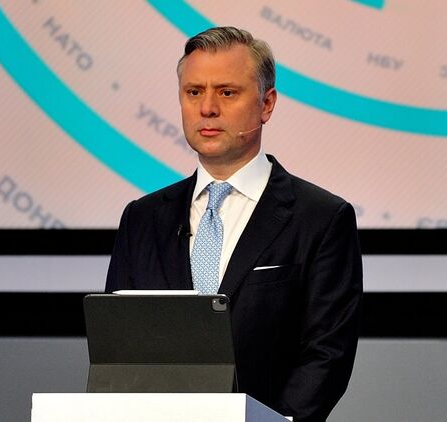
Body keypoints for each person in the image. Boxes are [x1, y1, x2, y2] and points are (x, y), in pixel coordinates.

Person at [105, 26, 362, 422]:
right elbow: (117, 350)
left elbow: (326, 355)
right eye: (194, 92)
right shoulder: (141, 219)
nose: (207, 108)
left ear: (266, 104)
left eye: (227, 93)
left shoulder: (322, 219)